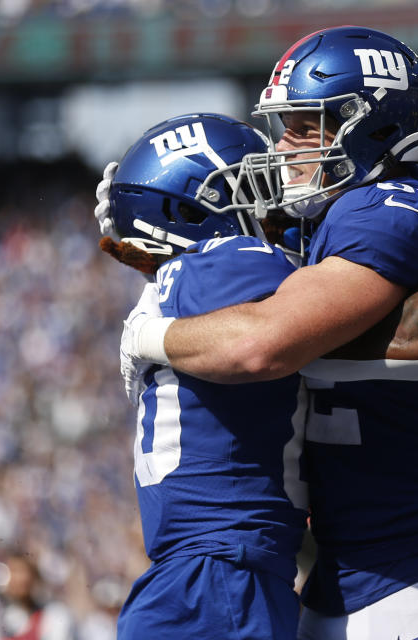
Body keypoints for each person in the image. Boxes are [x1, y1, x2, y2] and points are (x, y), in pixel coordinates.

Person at [115, 26, 418, 640]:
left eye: (303, 126)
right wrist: (151, 217)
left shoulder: (389, 206)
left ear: (372, 124)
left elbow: (265, 342)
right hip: (345, 579)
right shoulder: (328, 221)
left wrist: (151, 336)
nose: (283, 148)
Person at [97, 112, 311, 639]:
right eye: (251, 185)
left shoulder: (182, 283)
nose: (274, 201)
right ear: (190, 206)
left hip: (193, 575)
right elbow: (333, 298)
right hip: (223, 576)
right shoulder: (231, 261)